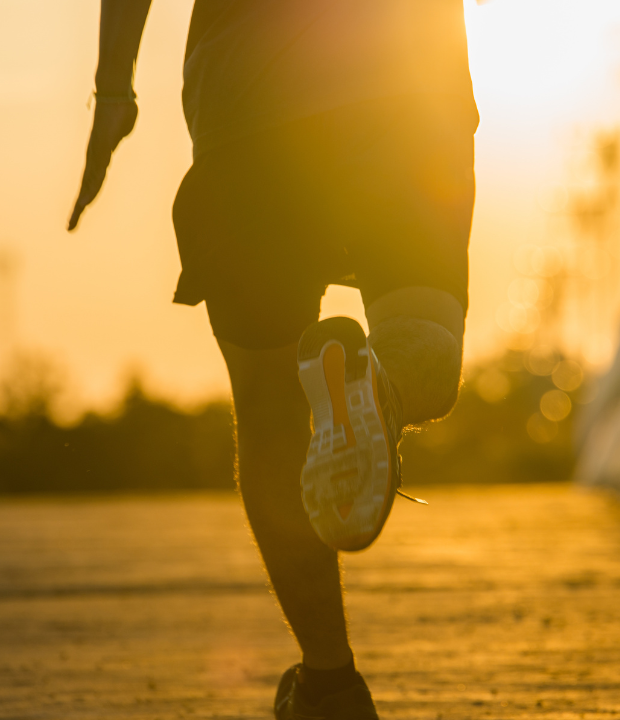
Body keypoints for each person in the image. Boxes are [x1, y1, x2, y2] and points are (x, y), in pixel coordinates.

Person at [68, 2, 478, 717]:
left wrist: (113, 91)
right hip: (409, 90)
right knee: (427, 349)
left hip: (250, 103)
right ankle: (377, 385)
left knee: (267, 405)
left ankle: (329, 685)